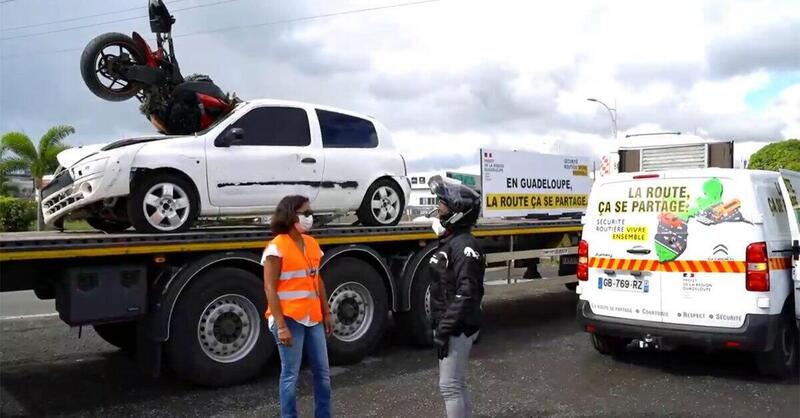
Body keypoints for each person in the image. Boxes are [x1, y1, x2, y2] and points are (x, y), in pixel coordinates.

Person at [262, 195, 333, 418]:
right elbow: (270, 289)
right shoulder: (276, 248)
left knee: (323, 373)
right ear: (292, 215)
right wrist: (281, 326)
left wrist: (326, 311)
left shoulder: (311, 244)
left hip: (313, 318)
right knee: (290, 374)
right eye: (307, 213)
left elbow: (317, 279)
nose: (310, 217)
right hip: (289, 319)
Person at [427, 176, 485, 418]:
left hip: (458, 327)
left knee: (449, 386)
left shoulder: (463, 246)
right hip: (453, 324)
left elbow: (466, 292)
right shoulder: (452, 242)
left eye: (443, 205)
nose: (438, 209)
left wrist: (444, 330)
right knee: (457, 384)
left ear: (458, 212)